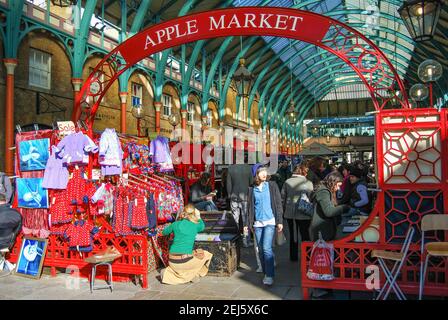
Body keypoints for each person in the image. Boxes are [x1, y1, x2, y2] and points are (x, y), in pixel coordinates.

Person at [247, 164, 283, 286]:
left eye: (264, 171)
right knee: (260, 250)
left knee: (267, 248)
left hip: (270, 222)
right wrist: (249, 224)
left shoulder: (272, 186)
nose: (264, 173)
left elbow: (278, 203)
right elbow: (250, 208)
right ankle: (265, 270)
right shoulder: (251, 189)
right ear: (256, 175)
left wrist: (280, 221)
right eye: (260, 172)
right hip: (257, 224)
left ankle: (269, 275)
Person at [161, 204, 213, 285]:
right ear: (194, 214)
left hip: (172, 261)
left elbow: (164, 232)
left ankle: (171, 273)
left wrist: (176, 223)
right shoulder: (195, 226)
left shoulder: (175, 224)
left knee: (192, 254)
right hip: (185, 262)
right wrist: (198, 216)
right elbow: (202, 226)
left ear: (183, 213)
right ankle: (192, 275)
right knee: (206, 254)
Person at [281, 163, 313, 261]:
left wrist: (283, 210)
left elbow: (282, 197)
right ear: (304, 172)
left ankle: (293, 257)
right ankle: (307, 257)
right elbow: (311, 198)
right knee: (305, 234)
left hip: (290, 213)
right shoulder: (308, 183)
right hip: (304, 213)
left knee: (293, 235)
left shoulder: (287, 182)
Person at [309, 172, 349, 241]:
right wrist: (344, 207)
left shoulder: (327, 190)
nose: (338, 188)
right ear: (333, 182)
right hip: (322, 231)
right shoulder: (323, 192)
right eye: (338, 185)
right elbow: (329, 211)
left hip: (325, 230)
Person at [227, 161, 254, 247]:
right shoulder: (248, 168)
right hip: (245, 197)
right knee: (246, 220)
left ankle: (235, 241)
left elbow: (229, 184)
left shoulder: (230, 168)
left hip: (234, 197)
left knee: (235, 220)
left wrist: (229, 194)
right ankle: (246, 241)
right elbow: (251, 183)